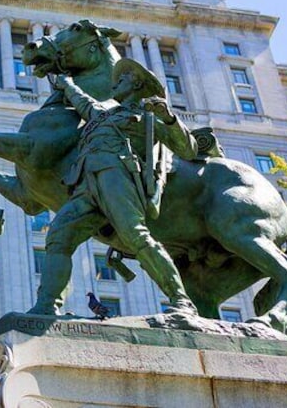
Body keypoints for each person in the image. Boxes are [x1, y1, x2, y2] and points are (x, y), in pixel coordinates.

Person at [30, 57, 200, 316]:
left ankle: (181, 300)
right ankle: (46, 306)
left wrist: (169, 119)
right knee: (58, 235)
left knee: (136, 236)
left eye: (123, 79)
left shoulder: (147, 118)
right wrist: (65, 83)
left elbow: (188, 149)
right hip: (86, 183)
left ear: (137, 84)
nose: (116, 82)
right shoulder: (102, 114)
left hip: (117, 177)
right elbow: (82, 101)